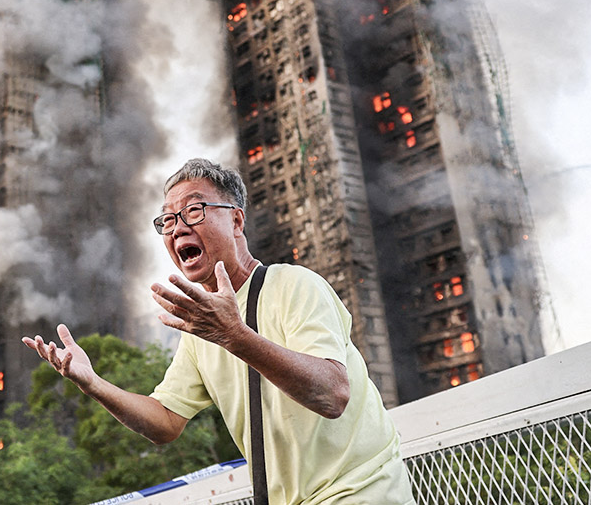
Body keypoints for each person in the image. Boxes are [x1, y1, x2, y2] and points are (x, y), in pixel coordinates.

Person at [23, 158, 416, 504]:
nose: (178, 228)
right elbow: (165, 421)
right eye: (168, 220)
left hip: (360, 493)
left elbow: (332, 394)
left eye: (194, 210)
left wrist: (234, 335)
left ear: (237, 220)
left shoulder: (294, 285)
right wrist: (93, 383)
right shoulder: (202, 328)